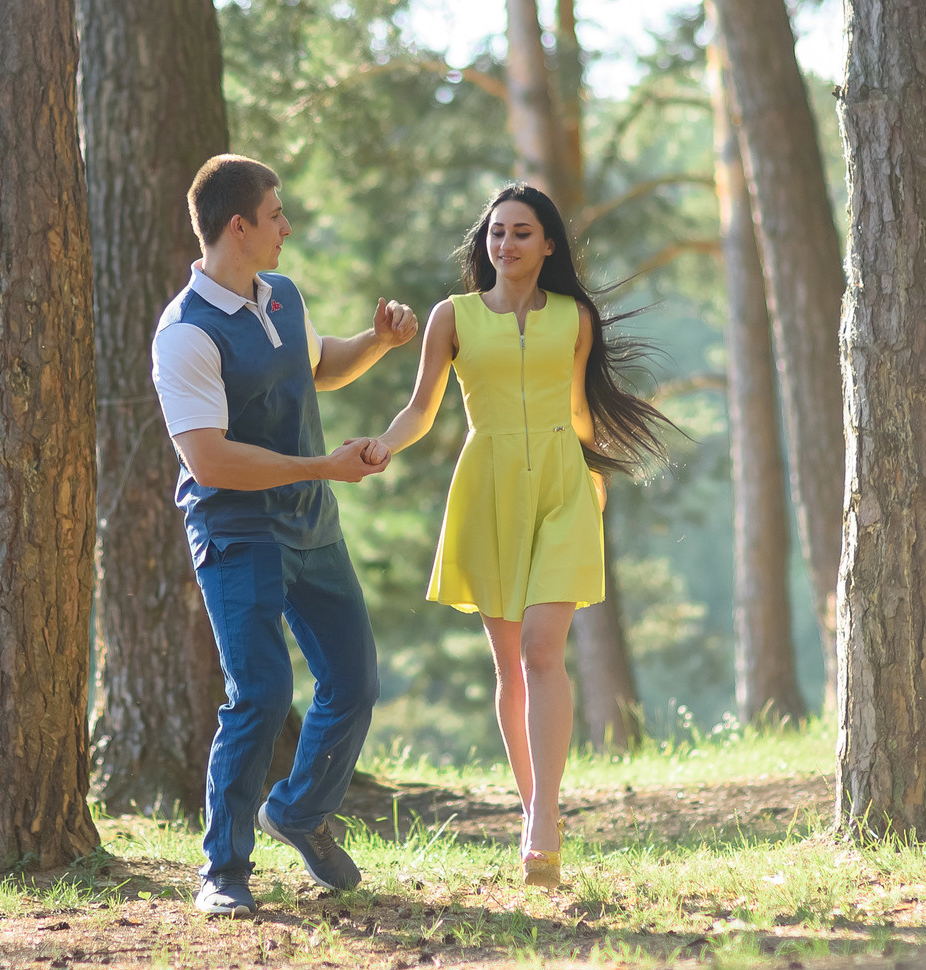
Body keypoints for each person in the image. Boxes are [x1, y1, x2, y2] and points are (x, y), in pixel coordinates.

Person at [366, 183, 671, 887]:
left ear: (549, 245)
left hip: (564, 488)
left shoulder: (574, 318)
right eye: (496, 232)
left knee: (542, 650)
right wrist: (384, 445)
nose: (505, 244)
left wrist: (595, 483)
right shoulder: (453, 317)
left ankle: (544, 816)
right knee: (512, 665)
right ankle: (534, 804)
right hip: (489, 487)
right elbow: (419, 410)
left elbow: (581, 411)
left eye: (521, 232)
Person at [151, 154, 419, 918]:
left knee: (355, 682)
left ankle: (298, 810)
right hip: (238, 532)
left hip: (312, 523)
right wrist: (322, 466)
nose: (287, 227)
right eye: (276, 215)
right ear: (239, 225)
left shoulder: (282, 296)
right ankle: (223, 871)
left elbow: (316, 366)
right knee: (262, 692)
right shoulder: (185, 335)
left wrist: (374, 342)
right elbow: (210, 457)